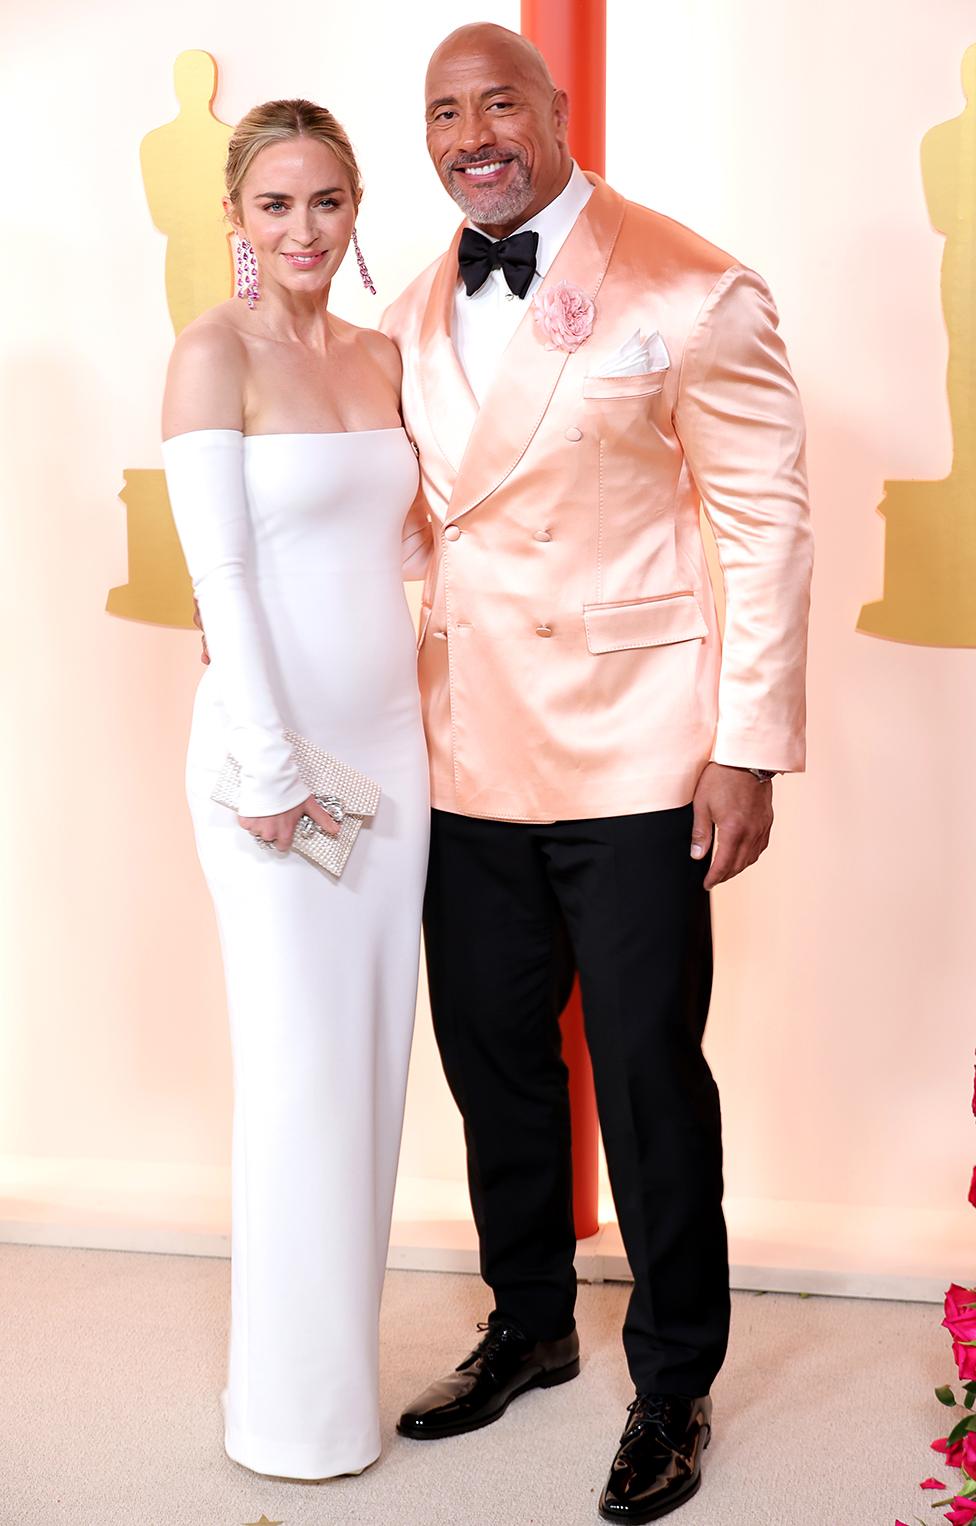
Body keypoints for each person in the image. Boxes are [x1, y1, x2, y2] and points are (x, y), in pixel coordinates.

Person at [383, 23, 813, 1524]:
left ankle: (675, 1380)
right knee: (492, 1055)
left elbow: (767, 521)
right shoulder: (405, 304)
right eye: (445, 111)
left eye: (501, 101)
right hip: (461, 745)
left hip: (638, 746)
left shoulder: (690, 279)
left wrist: (747, 743)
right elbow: (408, 531)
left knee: (642, 1072)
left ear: (557, 111)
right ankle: (529, 1321)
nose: (473, 132)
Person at [161, 99, 431, 1481]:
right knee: (297, 1077)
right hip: (275, 774)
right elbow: (225, 578)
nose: (305, 227)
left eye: (328, 200)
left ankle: (336, 1387)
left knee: (369, 1074)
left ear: (355, 206)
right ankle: (286, 1413)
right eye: (277, 204)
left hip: (392, 760)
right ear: (238, 220)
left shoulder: (386, 355)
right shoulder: (211, 354)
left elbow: (430, 543)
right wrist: (267, 768)